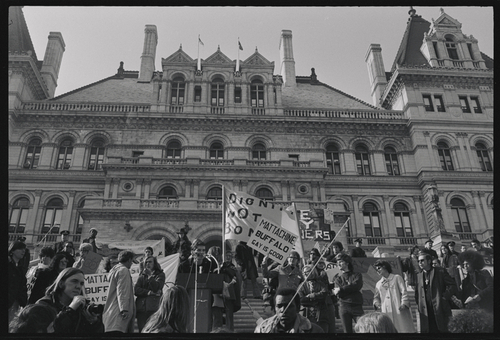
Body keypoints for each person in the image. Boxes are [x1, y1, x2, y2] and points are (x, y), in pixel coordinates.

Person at [35, 267, 104, 333]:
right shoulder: (44, 304)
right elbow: (51, 330)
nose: (78, 286)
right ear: (61, 284)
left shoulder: (82, 307)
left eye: (81, 283)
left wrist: (94, 322)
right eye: (74, 281)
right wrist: (71, 309)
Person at [415, 251, 457, 333]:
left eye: (422, 260)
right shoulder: (418, 276)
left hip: (439, 308)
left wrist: (444, 297)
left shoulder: (440, 271)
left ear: (429, 261)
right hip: (426, 311)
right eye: (419, 261)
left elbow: (453, 285)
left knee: (442, 330)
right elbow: (417, 293)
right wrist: (419, 304)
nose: (420, 263)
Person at [255, 287, 324, 333]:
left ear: (298, 308)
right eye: (279, 306)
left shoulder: (314, 331)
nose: (283, 310)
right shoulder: (262, 329)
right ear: (274, 308)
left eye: (289, 306)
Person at [372, 260, 415, 333]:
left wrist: (404, 303)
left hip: (399, 308)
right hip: (386, 311)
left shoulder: (397, 278)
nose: (377, 271)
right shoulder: (378, 284)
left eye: (379, 268)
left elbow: (404, 291)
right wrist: (377, 304)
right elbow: (376, 297)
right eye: (376, 270)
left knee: (403, 328)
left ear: (385, 267)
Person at [102, 250, 136, 333]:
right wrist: (124, 309)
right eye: (132, 261)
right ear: (129, 260)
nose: (132, 264)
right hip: (118, 316)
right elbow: (122, 290)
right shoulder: (123, 270)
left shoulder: (114, 271)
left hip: (111, 315)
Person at [298, 261, 336, 333]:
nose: (304, 273)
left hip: (320, 313)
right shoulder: (302, 285)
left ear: (313, 272)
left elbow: (324, 293)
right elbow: (301, 299)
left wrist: (312, 296)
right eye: (303, 272)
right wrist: (313, 299)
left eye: (307, 271)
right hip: (307, 313)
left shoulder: (320, 283)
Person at [333, 253, 364, 333]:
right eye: (337, 262)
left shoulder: (357, 275)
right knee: (347, 331)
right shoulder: (337, 279)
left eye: (341, 261)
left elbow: (357, 286)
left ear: (347, 263)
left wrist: (341, 289)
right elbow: (338, 294)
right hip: (344, 307)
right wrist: (349, 288)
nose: (338, 264)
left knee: (363, 328)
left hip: (356, 306)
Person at [134, 255, 165, 332]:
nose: (148, 264)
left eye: (150, 262)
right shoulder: (142, 276)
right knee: (142, 332)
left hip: (154, 309)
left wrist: (150, 276)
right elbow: (136, 290)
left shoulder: (160, 274)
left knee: (153, 331)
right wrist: (148, 292)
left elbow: (157, 287)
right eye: (146, 262)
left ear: (155, 263)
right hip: (141, 310)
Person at [218, 248, 242, 331]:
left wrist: (225, 269)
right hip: (218, 293)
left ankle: (229, 330)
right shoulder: (219, 266)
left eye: (229, 256)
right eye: (226, 256)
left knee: (229, 314)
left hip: (229, 293)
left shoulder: (233, 268)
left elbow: (235, 277)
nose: (228, 257)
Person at [8, 240, 28, 323]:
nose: (23, 251)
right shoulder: (8, 265)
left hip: (15, 304)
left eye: (24, 249)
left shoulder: (20, 268)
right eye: (20, 248)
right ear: (12, 250)